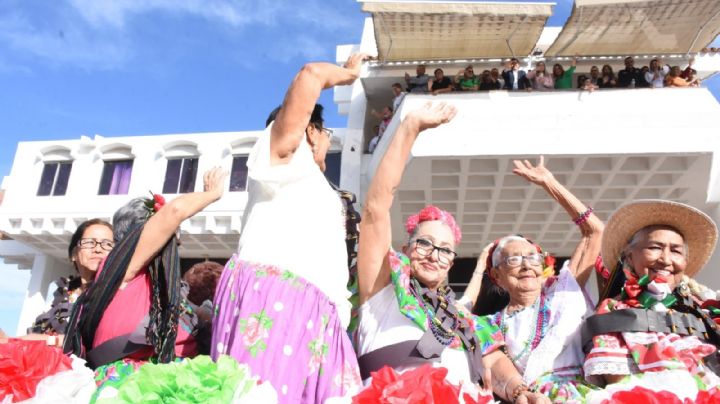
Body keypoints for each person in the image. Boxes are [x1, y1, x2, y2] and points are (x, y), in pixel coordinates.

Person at [356, 102, 550, 404]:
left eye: (445, 250)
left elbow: (495, 362)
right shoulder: (385, 288)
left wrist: (519, 391)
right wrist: (409, 128)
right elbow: (375, 208)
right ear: (406, 250)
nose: (434, 255)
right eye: (425, 244)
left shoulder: (464, 319)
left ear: (451, 262)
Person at [211, 54, 369, 403]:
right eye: (326, 132)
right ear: (310, 130)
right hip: (281, 300)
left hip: (323, 315)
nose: (328, 140)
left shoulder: (316, 184)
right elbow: (310, 74)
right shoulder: (282, 156)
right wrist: (350, 74)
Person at [64, 168, 227, 390]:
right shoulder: (123, 266)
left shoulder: (155, 284)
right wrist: (212, 193)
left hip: (166, 378)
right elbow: (174, 211)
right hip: (135, 386)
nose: (174, 247)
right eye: (172, 238)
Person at [470, 157, 602, 402]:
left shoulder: (562, 293)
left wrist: (550, 183)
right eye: (514, 260)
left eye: (533, 257)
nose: (526, 265)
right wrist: (479, 266)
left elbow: (594, 232)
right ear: (496, 276)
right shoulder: (488, 324)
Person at [582, 200, 720, 402]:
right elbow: (621, 385)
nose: (665, 259)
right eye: (655, 247)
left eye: (676, 251)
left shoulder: (701, 310)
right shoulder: (613, 310)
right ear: (629, 256)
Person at [29, 219, 114, 336]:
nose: (98, 249)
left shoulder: (116, 293)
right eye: (89, 242)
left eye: (107, 244)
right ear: (74, 254)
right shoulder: (64, 294)